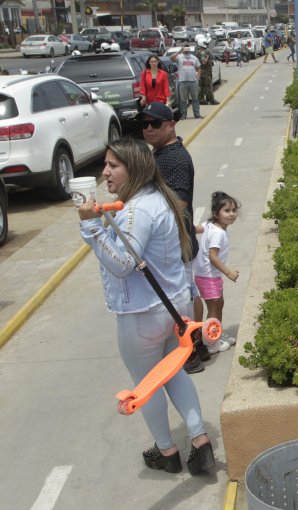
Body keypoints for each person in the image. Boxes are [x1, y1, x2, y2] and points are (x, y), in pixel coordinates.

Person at [77, 138, 216, 475]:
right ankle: (200, 441)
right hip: (173, 309)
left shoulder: (136, 210)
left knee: (147, 383)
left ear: (134, 168)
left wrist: (91, 226)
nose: (105, 172)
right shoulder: (160, 199)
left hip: (142, 314)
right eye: (106, 165)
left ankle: (167, 452)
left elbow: (123, 263)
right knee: (174, 374)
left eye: (113, 165)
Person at [140, 102, 207, 373]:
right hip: (173, 242)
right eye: (144, 124)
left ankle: (190, 354)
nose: (148, 128)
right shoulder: (161, 154)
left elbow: (180, 202)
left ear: (171, 125)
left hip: (176, 242)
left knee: (178, 298)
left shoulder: (175, 158)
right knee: (185, 294)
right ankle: (196, 345)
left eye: (155, 123)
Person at [193, 191, 240, 349]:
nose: (231, 214)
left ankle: (217, 333)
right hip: (209, 277)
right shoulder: (218, 233)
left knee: (219, 304)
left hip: (206, 276)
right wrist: (229, 272)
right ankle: (212, 343)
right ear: (216, 213)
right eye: (227, 211)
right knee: (213, 308)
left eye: (234, 210)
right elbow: (213, 256)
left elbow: (197, 229)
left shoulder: (210, 224)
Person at [175, 45, 202, 120]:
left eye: (188, 50)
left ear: (190, 50)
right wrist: (179, 51)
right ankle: (183, 115)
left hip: (193, 81)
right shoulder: (179, 57)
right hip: (182, 81)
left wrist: (198, 77)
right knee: (183, 100)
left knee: (195, 98)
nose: (186, 51)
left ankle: (197, 115)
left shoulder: (194, 58)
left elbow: (199, 68)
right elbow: (171, 58)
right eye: (185, 50)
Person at [196, 38, 218, 106]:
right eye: (205, 43)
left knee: (202, 86)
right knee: (208, 86)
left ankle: (201, 100)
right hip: (205, 72)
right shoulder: (203, 52)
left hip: (201, 71)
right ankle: (211, 100)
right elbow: (204, 62)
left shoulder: (198, 51)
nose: (207, 44)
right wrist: (207, 58)